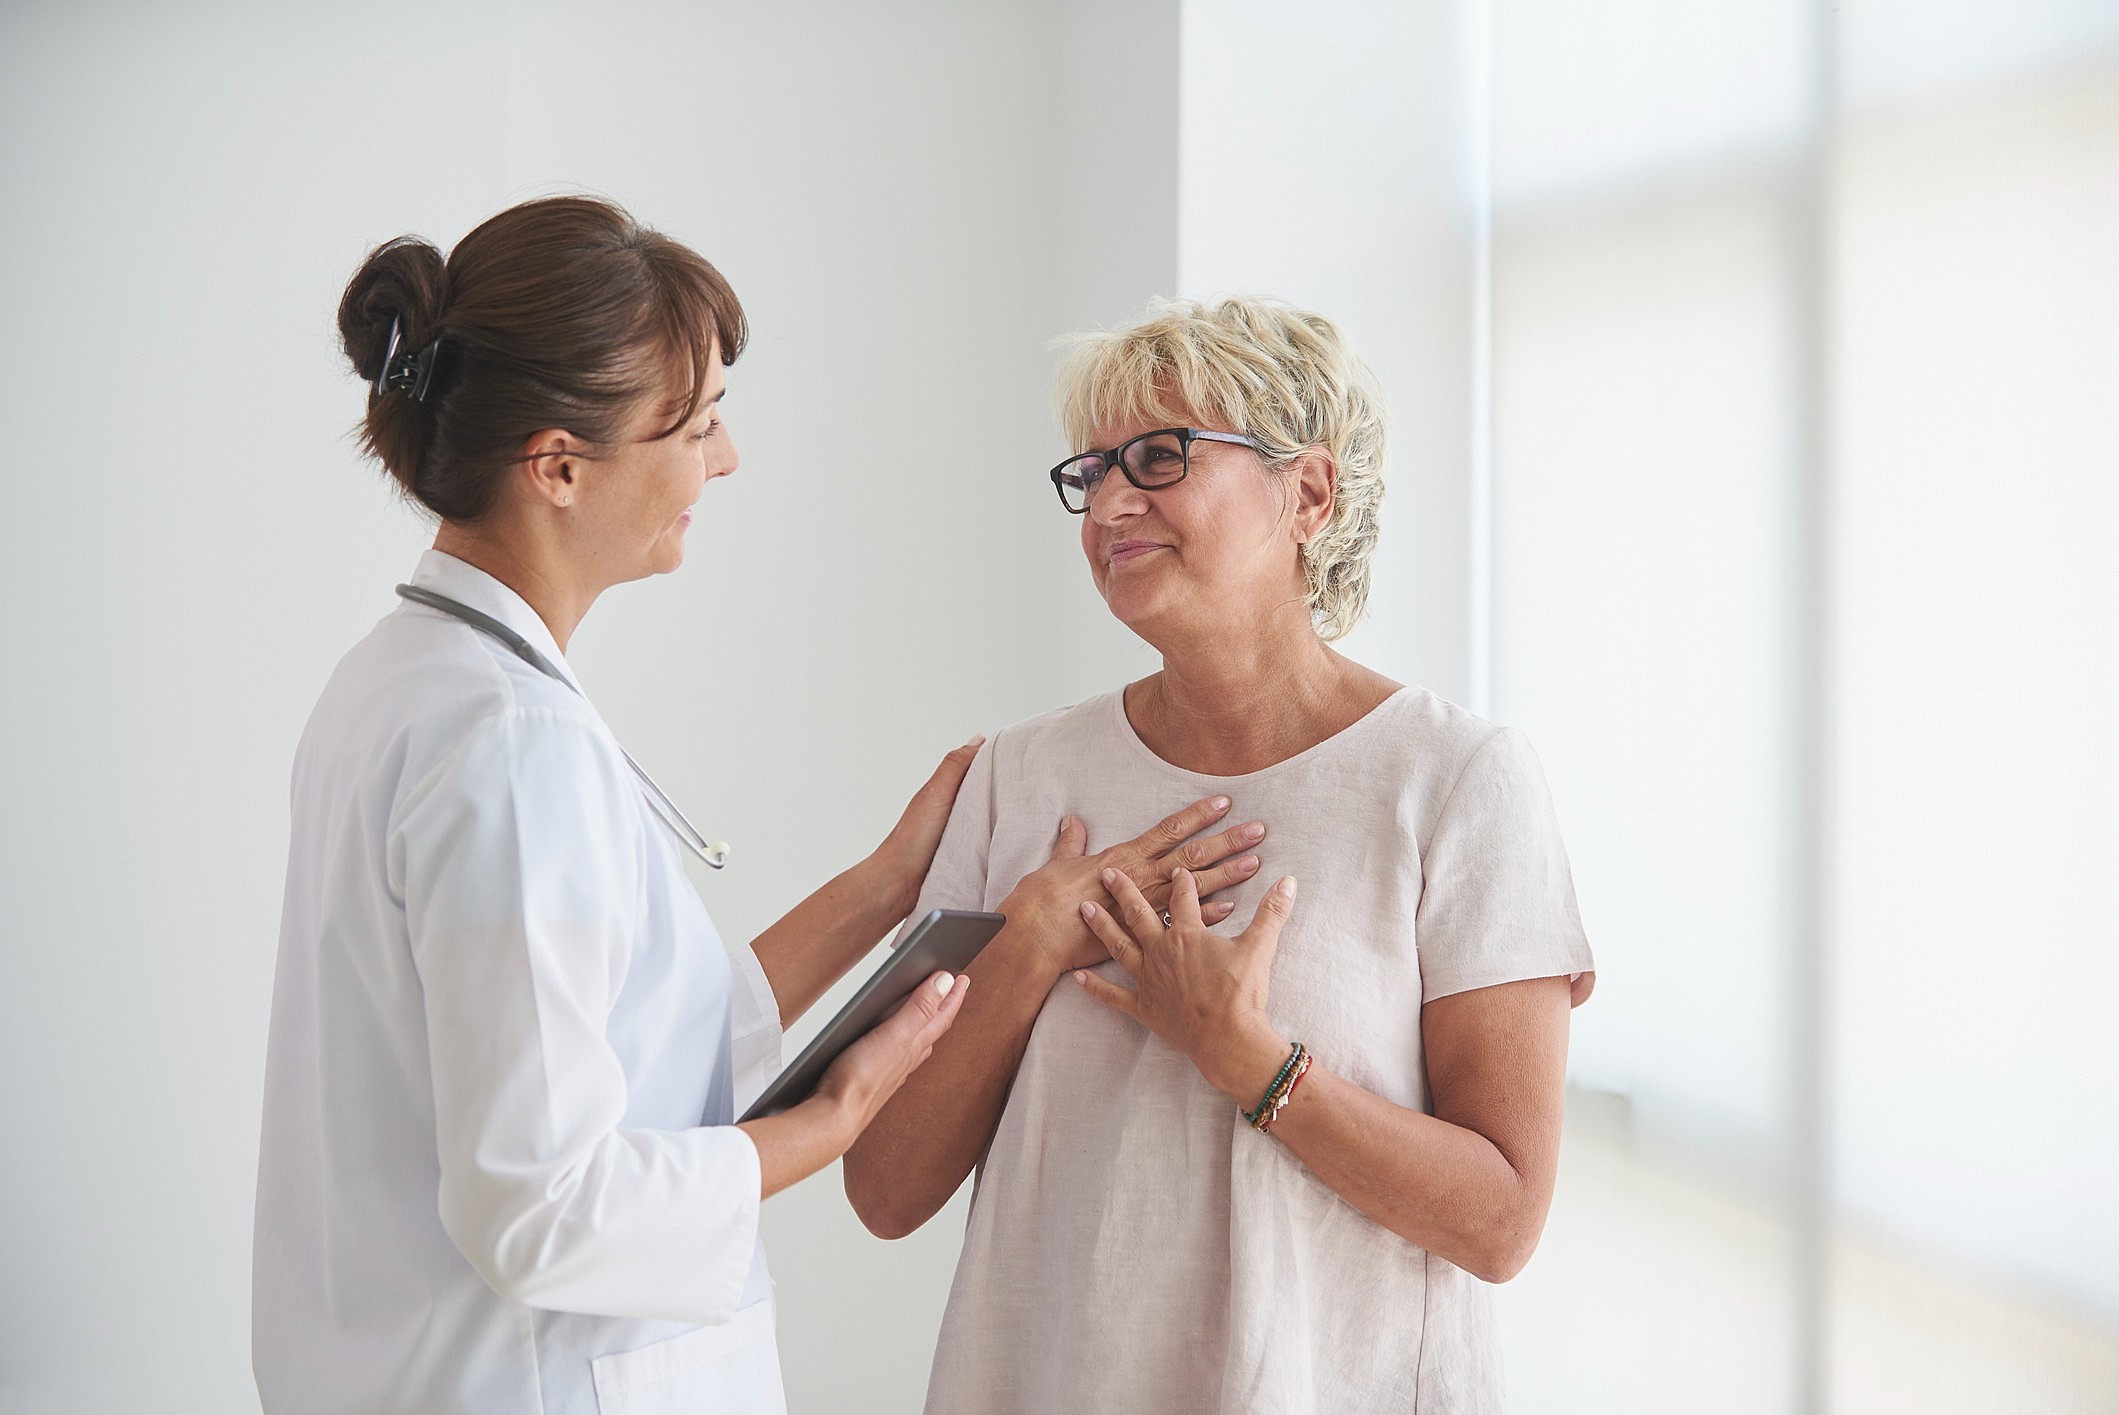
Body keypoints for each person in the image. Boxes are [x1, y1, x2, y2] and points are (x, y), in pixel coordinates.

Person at [256, 195, 1002, 1415]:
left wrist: (888, 884)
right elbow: (545, 1207)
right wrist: (838, 1117)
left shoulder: (403, 679)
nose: (725, 458)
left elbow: (631, 1049)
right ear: (557, 464)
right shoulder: (508, 741)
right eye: (697, 423)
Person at [842, 297, 1597, 1414]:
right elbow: (885, 1180)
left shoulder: (1456, 780)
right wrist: (1032, 944)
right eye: (1090, 470)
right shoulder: (1016, 778)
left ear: (1308, 493)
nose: (1107, 502)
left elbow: (1500, 1220)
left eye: (1159, 456)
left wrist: (1250, 1058)